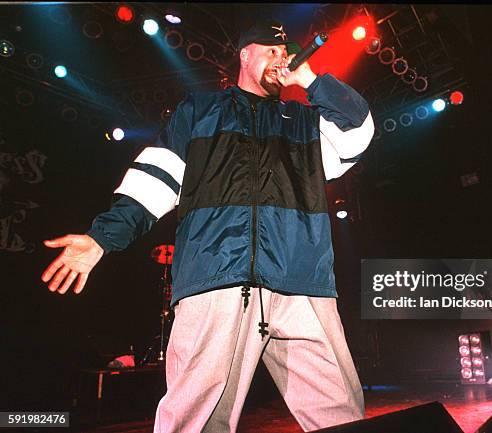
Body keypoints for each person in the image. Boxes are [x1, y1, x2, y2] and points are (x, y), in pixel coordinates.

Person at [41, 19, 374, 433]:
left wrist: (308, 78)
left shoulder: (305, 124)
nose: (280, 58)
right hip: (216, 280)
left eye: (285, 51)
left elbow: (359, 130)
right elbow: (153, 181)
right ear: (245, 54)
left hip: (301, 281)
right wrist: (100, 238)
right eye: (270, 50)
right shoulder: (198, 113)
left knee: (340, 410)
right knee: (195, 419)